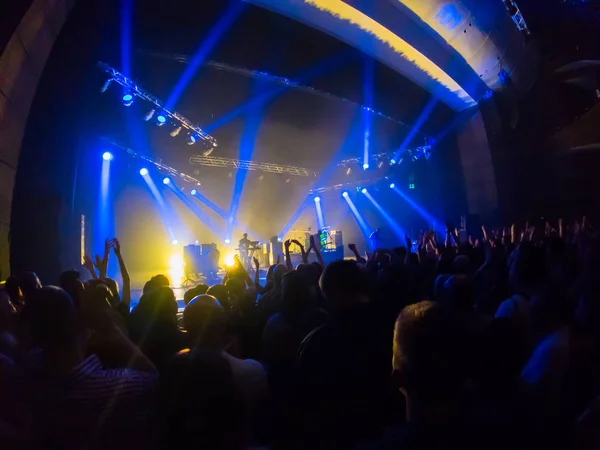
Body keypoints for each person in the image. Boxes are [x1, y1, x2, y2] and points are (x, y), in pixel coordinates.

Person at [17, 286, 157, 449]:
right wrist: (111, 328)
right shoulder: (105, 385)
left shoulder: (29, 367)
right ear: (77, 326)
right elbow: (152, 376)